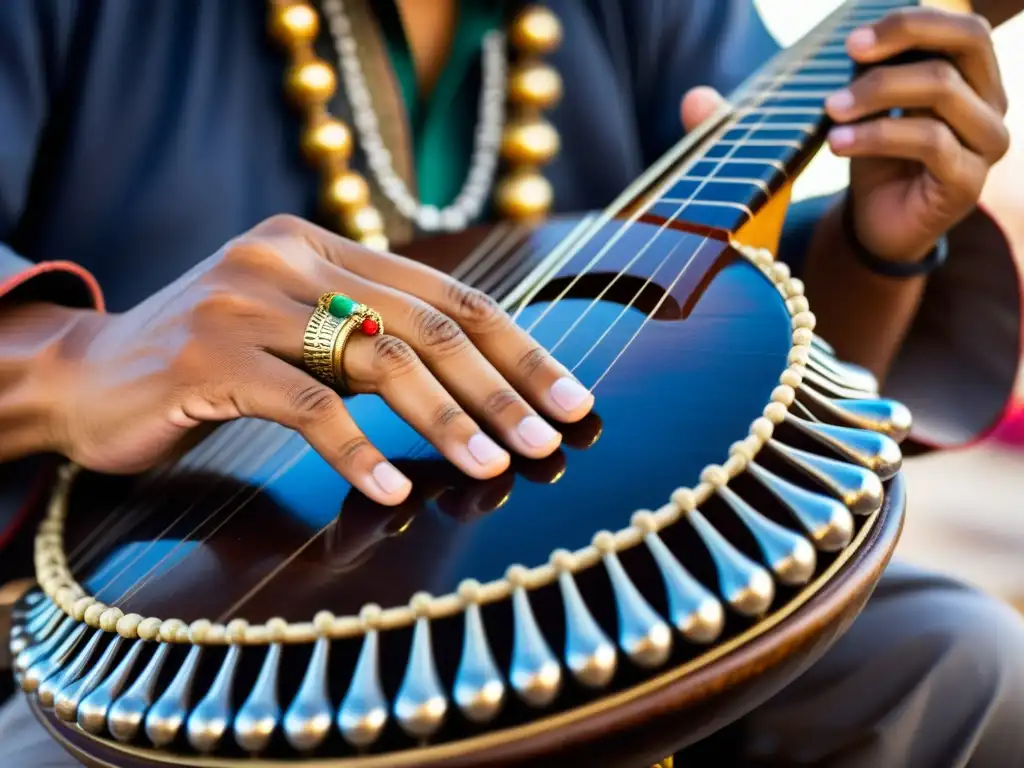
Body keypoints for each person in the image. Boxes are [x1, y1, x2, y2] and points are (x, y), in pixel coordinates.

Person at [0, 0, 1023, 765]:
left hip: (609, 600)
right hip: (145, 634)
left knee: (957, 658)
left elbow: (755, 426)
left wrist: (871, 247)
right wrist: (75, 360)